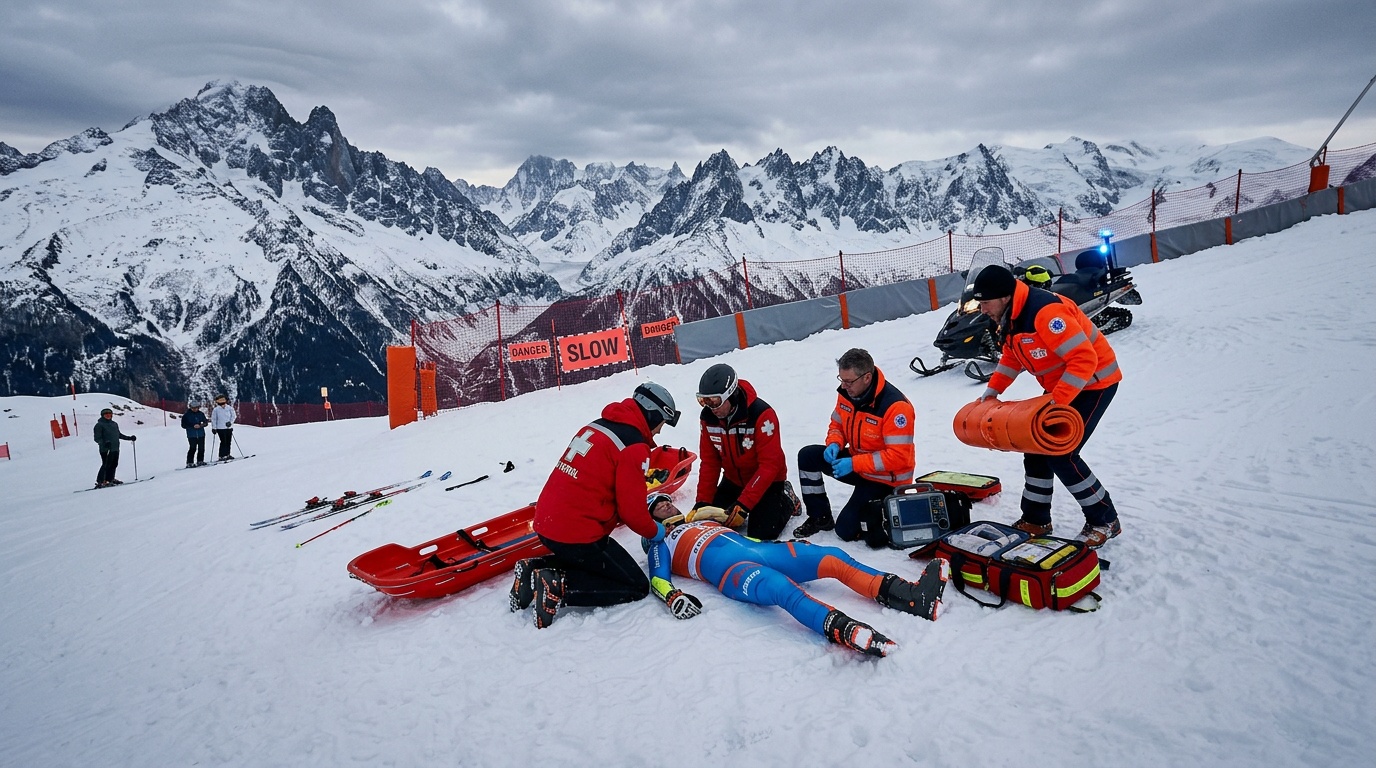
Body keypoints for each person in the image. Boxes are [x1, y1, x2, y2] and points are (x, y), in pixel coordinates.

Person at [643, 495, 950, 658]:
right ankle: (846, 630)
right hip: (732, 573)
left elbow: (745, 538)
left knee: (832, 557)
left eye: (666, 500)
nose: (666, 504)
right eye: (657, 506)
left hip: (762, 553)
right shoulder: (658, 541)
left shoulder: (701, 518)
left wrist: (781, 545)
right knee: (781, 589)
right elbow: (658, 577)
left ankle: (913, 597)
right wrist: (673, 596)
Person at [970, 263, 1123, 548]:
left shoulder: (1045, 312)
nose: (982, 310)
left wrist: (1057, 403)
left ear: (1004, 297)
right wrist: (992, 392)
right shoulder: (1012, 315)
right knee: (1036, 447)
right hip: (1063, 386)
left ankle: (1105, 520)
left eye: (985, 303)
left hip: (1094, 383)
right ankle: (1036, 519)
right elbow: (1012, 357)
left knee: (1061, 452)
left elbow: (1083, 359)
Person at [510, 381, 681, 629]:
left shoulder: (597, 426)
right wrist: (657, 532)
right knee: (634, 585)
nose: (658, 432)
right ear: (653, 413)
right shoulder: (633, 445)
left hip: (547, 522)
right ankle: (560, 589)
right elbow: (632, 512)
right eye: (661, 424)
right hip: (577, 532)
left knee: (591, 562)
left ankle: (533, 568)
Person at [792, 348, 916, 546]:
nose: (843, 385)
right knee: (808, 455)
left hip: (885, 479)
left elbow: (899, 457)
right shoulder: (847, 393)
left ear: (867, 377)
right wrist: (834, 443)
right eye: (841, 379)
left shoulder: (896, 407)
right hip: (857, 463)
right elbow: (837, 424)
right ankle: (820, 517)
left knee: (846, 530)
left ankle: (880, 511)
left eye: (848, 381)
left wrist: (854, 463)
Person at [692, 363, 799, 541]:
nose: (711, 407)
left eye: (715, 401)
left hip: (767, 481)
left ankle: (787, 499)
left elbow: (770, 465)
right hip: (733, 480)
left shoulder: (762, 414)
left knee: (761, 533)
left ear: (730, 394)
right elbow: (710, 462)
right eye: (704, 401)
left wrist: (743, 505)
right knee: (710, 522)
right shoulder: (708, 418)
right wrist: (702, 501)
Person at [93, 407, 136, 488]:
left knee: (114, 464)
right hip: (105, 449)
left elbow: (118, 435)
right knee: (106, 464)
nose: (108, 415)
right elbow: (97, 438)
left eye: (110, 414)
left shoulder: (114, 424)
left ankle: (110, 479)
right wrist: (104, 443)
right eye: (106, 414)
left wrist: (129, 438)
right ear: (102, 415)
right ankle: (101, 481)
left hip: (115, 448)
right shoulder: (99, 425)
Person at [181, 402, 209, 468]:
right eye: (193, 408)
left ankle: (200, 461)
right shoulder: (186, 415)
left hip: (201, 434)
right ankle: (190, 462)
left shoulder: (201, 414)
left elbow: (205, 422)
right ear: (190, 408)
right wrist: (192, 426)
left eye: (196, 408)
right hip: (191, 435)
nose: (195, 409)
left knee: (201, 448)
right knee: (192, 448)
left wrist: (200, 425)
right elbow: (183, 425)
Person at [210, 395, 235, 461]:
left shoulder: (229, 408)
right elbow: (214, 419)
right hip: (220, 428)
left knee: (228, 441)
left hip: (228, 427)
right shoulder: (216, 410)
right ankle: (222, 455)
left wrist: (230, 422)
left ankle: (227, 454)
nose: (222, 404)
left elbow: (233, 416)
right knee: (223, 441)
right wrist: (214, 428)